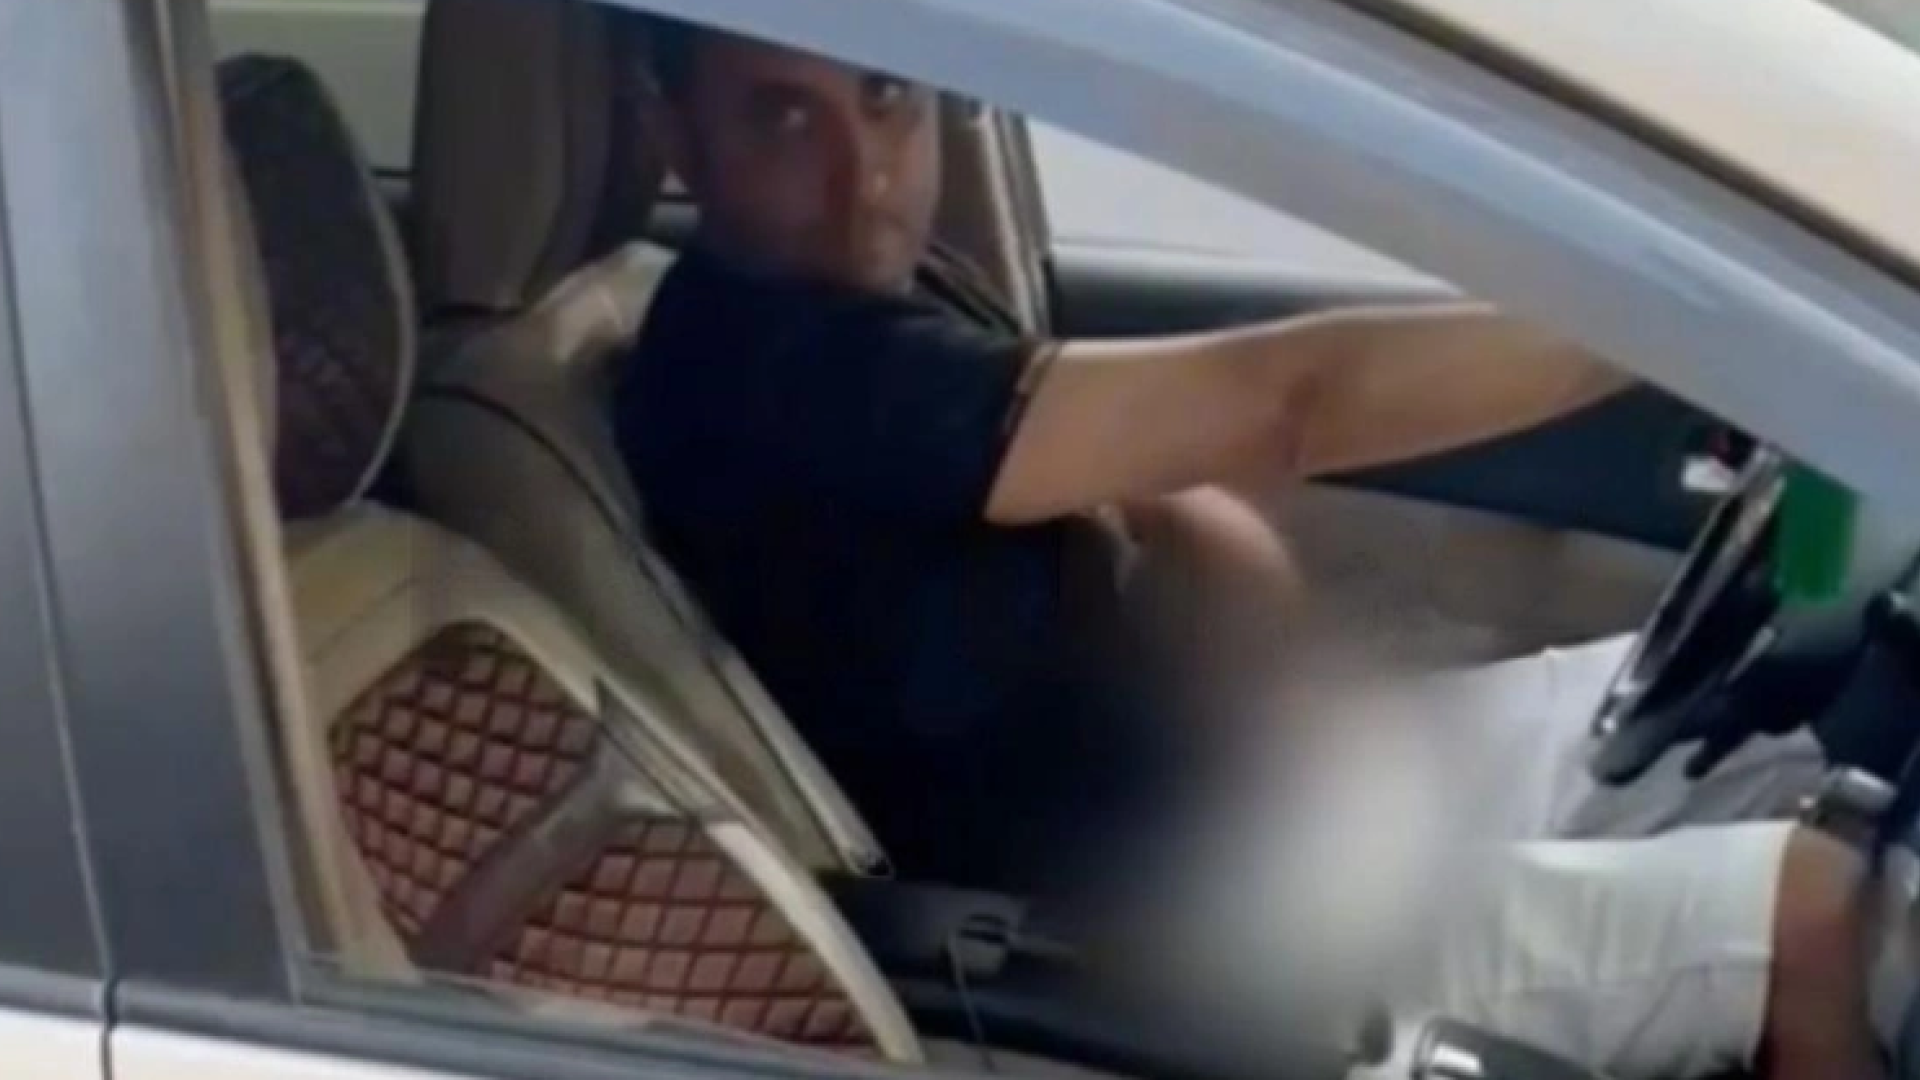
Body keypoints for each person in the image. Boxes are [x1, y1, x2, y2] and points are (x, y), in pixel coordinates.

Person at [611, 20, 1889, 1079]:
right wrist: (1687, 322)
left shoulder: (865, 304)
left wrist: (1260, 676)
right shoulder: (766, 373)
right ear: (672, 131)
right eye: (783, 118)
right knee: (1813, 910)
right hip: (1161, 934)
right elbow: (1289, 404)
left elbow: (1153, 495)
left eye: (885, 95)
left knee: (1741, 734)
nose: (868, 177)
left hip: (1236, 801)